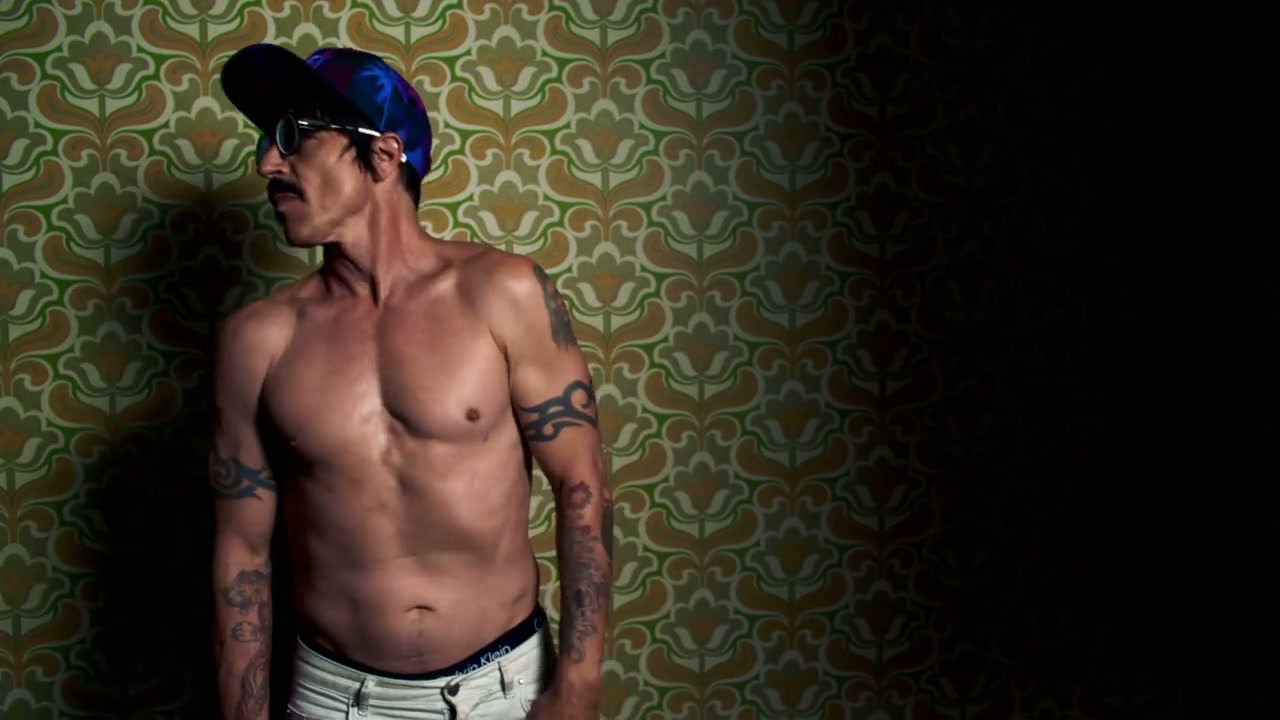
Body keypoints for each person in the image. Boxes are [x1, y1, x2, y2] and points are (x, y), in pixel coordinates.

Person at [209, 43, 612, 720]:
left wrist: (577, 686)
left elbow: (583, 486)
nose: (267, 163)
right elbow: (241, 552)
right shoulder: (258, 341)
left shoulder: (504, 293)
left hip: (504, 690)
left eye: (293, 136)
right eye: (266, 140)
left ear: (383, 154)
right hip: (333, 698)